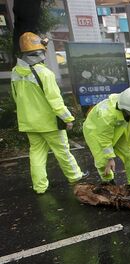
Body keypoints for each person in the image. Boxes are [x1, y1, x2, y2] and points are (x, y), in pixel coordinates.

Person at [11, 32, 87, 194]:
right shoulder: (45, 73)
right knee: (62, 151)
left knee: (36, 154)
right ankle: (75, 176)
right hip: (49, 123)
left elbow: (15, 97)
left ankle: (39, 187)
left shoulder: (15, 72)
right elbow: (55, 100)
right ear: (39, 53)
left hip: (28, 122)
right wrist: (68, 118)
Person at [82, 86, 130, 186]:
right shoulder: (107, 114)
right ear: (123, 108)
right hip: (95, 130)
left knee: (129, 156)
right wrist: (110, 158)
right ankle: (108, 184)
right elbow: (104, 137)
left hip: (118, 128)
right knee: (103, 162)